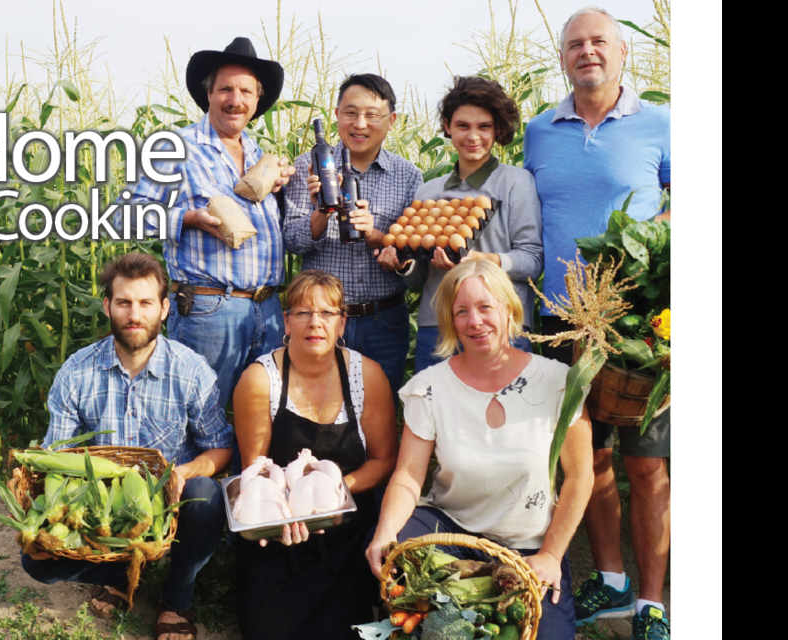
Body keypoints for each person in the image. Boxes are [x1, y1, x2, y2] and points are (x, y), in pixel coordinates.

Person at [523, 8, 671, 639]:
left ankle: (651, 602)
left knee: (648, 465)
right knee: (590, 462)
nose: (588, 52)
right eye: (575, 45)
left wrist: (654, 236)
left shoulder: (662, 124)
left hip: (637, 324)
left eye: (599, 42)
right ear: (563, 59)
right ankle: (608, 582)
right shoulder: (537, 132)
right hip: (561, 323)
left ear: (622, 53)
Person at [365, 260, 593, 640]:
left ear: (509, 309)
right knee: (395, 557)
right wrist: (384, 534)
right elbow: (408, 476)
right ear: (450, 321)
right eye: (462, 311)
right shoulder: (430, 387)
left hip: (529, 547)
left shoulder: (557, 381)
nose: (475, 321)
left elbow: (582, 476)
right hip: (451, 531)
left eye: (486, 307)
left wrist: (551, 556)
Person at [20, 252, 230, 640]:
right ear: (107, 307)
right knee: (37, 562)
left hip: (171, 503)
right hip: (105, 510)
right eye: (124, 302)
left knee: (207, 496)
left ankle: (175, 598)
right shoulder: (77, 372)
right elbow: (58, 459)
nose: (135, 314)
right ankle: (122, 570)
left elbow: (220, 448)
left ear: (165, 309)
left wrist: (184, 473)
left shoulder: (190, 370)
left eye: (146, 303)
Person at [119, 37, 295, 416]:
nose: (236, 99)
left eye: (246, 91)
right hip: (209, 307)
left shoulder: (262, 157)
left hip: (268, 309)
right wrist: (187, 218)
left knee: (265, 416)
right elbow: (124, 214)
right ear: (209, 94)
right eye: (226, 89)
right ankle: (193, 478)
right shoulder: (175, 147)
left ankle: (246, 478)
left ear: (257, 100)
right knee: (200, 413)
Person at [232, 270, 399, 640]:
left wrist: (335, 492)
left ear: (342, 323)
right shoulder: (260, 380)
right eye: (303, 313)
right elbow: (255, 472)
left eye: (327, 314)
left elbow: (385, 459)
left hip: (347, 525)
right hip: (284, 528)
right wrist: (282, 518)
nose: (315, 323)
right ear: (286, 322)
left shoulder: (366, 376)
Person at [376, 75, 542, 373]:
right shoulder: (429, 191)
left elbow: (532, 260)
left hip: (501, 326)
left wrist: (481, 260)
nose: (473, 136)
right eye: (463, 126)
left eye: (484, 127)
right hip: (438, 328)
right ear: (448, 127)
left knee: (505, 416)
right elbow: (419, 277)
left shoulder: (516, 182)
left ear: (499, 129)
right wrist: (402, 266)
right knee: (438, 416)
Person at [285, 74, 423, 400]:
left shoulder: (408, 176)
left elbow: (415, 256)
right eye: (351, 112)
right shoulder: (309, 166)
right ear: (336, 115)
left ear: (391, 121)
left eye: (372, 115)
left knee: (380, 414)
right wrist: (321, 210)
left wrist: (378, 236)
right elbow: (290, 241)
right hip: (321, 322)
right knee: (317, 414)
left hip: (384, 321)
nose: (360, 124)